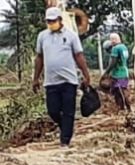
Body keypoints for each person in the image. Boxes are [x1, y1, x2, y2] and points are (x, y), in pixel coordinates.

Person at [33, 7, 91, 148]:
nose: (51, 23)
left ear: (60, 20)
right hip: (51, 81)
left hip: (68, 80)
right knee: (52, 111)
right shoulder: (42, 36)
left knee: (68, 111)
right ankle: (66, 126)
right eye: (49, 21)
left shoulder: (71, 36)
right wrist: (35, 78)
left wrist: (86, 75)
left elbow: (79, 56)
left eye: (53, 21)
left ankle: (65, 140)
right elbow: (39, 58)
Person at [106, 33, 131, 112]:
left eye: (111, 39)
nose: (111, 42)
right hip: (125, 72)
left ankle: (121, 108)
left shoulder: (115, 48)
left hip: (117, 74)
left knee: (119, 92)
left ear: (114, 40)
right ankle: (128, 108)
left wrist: (107, 72)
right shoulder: (124, 47)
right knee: (123, 91)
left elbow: (113, 62)